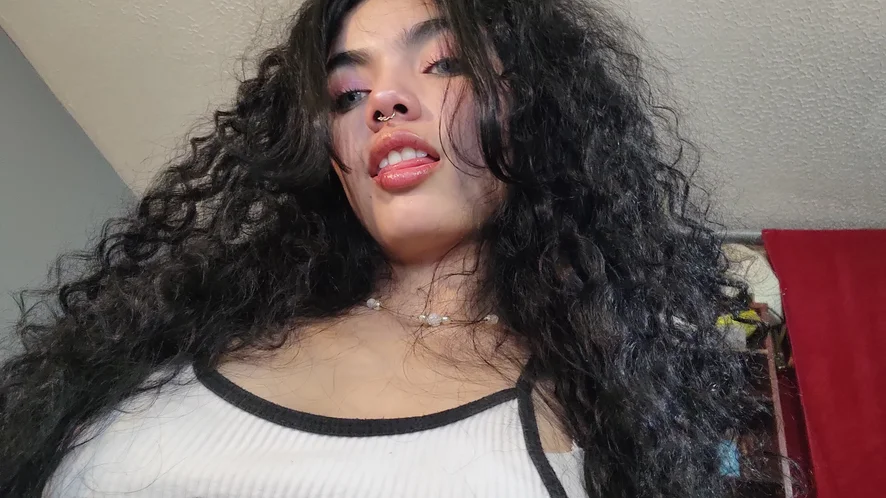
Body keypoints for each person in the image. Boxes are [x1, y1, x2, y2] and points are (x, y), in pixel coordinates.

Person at [0, 0, 765, 496]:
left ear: (534, 113)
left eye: (443, 64)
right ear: (332, 158)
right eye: (349, 94)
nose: (386, 102)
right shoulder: (197, 324)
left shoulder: (599, 409)